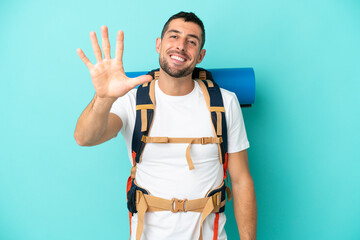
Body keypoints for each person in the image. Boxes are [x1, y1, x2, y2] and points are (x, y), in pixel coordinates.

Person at [74, 11, 257, 240]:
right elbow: (84, 137)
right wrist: (103, 98)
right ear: (159, 44)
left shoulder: (225, 102)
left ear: (200, 55)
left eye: (191, 41)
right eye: (174, 36)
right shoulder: (132, 101)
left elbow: (241, 181)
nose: (181, 46)